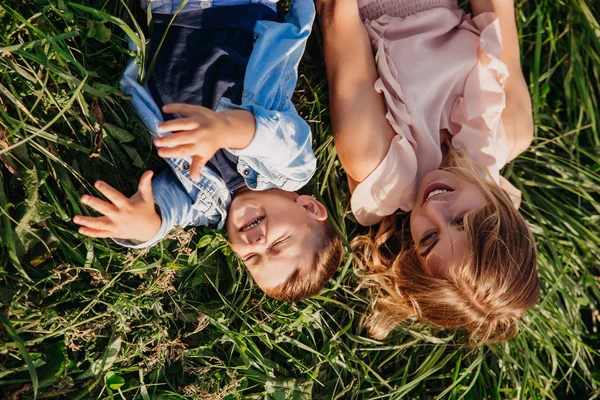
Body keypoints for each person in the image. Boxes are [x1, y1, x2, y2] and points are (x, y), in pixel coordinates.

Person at [73, 0, 343, 301]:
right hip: (235, 9)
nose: (256, 242)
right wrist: (224, 129)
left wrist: (147, 226)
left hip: (166, 14)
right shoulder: (291, 171)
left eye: (252, 258)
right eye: (277, 243)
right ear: (308, 207)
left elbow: (170, 208)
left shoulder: (205, 206)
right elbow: (277, 138)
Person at [318, 0, 539, 343]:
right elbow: (496, 10)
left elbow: (337, 16)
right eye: (461, 220)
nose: (434, 208)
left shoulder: (376, 161)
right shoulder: (510, 129)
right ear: (499, 210)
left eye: (428, 238)